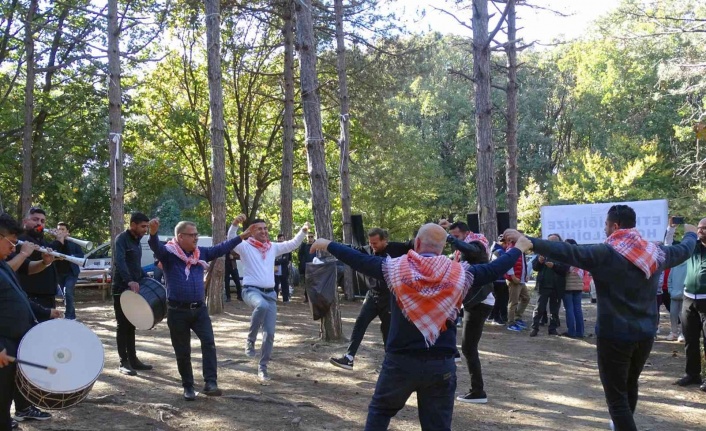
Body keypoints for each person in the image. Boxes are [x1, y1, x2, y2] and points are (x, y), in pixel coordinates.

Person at [310, 223, 531, 430]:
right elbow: (494, 269)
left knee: (379, 413)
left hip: (400, 362)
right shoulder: (460, 273)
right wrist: (519, 247)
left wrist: (329, 244)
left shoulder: (394, 268)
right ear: (443, 246)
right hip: (441, 365)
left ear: (416, 244)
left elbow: (359, 260)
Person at [504, 205, 697, 431]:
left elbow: (568, 252)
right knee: (629, 385)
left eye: (606, 225)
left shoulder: (605, 253)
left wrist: (530, 241)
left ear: (615, 226)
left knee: (616, 399)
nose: (604, 229)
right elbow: (684, 249)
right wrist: (692, 233)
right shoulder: (655, 253)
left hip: (614, 335)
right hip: (645, 334)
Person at [149, 215, 251, 400]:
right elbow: (156, 247)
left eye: (196, 235)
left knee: (209, 344)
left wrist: (241, 235)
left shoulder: (200, 254)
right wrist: (153, 234)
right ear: (180, 237)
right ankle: (188, 386)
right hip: (177, 311)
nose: (196, 238)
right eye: (191, 235)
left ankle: (210, 382)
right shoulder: (169, 254)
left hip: (199, 310)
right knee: (183, 351)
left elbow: (221, 248)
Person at [228, 218, 310, 382]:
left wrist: (303, 231)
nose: (264, 232)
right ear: (251, 231)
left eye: (265, 229)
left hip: (270, 294)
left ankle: (263, 367)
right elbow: (231, 238)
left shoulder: (272, 247)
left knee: (270, 333)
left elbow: (291, 244)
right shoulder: (245, 247)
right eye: (259, 229)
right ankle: (250, 340)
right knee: (261, 306)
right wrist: (235, 224)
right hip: (251, 291)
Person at [0, 213, 61, 428]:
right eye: (10, 242)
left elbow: (17, 298)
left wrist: (45, 312)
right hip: (3, 345)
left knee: (6, 395)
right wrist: (24, 252)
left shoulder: (2, 266)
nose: (13, 247)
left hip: (14, 342)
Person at [329, 228, 412, 371]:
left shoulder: (398, 248)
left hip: (390, 297)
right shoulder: (366, 250)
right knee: (360, 323)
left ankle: (389, 363)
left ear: (384, 240)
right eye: (370, 243)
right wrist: (330, 245)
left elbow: (413, 245)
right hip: (372, 295)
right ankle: (349, 357)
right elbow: (350, 249)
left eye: (375, 243)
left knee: (387, 330)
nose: (372, 246)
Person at [441, 221, 496, 404]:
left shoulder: (477, 243)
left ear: (466, 233)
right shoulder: (464, 247)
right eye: (453, 236)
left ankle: (478, 391)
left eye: (457, 236)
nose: (454, 240)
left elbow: (472, 251)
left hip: (479, 301)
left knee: (469, 348)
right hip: (473, 301)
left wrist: (450, 239)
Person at [112, 212, 152, 377]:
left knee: (131, 324)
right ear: (133, 224)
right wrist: (129, 280)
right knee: (123, 325)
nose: (145, 230)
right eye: (143, 226)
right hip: (121, 288)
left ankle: (133, 360)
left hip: (133, 289)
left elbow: (134, 265)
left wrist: (144, 275)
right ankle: (123, 362)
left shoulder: (137, 241)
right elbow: (120, 262)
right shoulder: (121, 239)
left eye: (147, 227)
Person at [673, 216, 706, 392]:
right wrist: (671, 228)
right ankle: (692, 374)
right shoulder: (692, 247)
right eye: (698, 228)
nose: (699, 231)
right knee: (690, 339)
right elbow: (670, 246)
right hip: (689, 298)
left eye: (703, 228)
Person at [7, 207, 57, 311]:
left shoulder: (42, 241)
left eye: (42, 221)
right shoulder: (20, 240)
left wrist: (46, 262)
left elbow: (30, 266)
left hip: (47, 296)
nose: (39, 224)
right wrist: (59, 242)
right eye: (35, 219)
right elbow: (24, 265)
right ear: (25, 221)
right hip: (31, 296)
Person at [530, 233, 568, 337]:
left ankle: (553, 328)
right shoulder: (542, 253)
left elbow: (565, 269)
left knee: (554, 310)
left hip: (557, 286)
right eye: (549, 241)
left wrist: (554, 266)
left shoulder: (562, 254)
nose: (551, 243)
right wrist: (539, 261)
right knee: (539, 308)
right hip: (543, 286)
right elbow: (535, 267)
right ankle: (535, 328)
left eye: (553, 241)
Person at [50, 222, 84, 320]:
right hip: (59, 273)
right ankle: (72, 315)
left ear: (67, 232)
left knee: (67, 292)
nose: (60, 231)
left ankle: (69, 316)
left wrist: (71, 257)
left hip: (72, 273)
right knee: (66, 295)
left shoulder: (74, 243)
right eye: (58, 229)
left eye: (62, 229)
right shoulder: (55, 243)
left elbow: (81, 255)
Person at [505, 234, 530, 332]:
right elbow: (508, 263)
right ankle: (511, 323)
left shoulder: (521, 249)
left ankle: (517, 318)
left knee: (526, 298)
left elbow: (523, 263)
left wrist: (526, 274)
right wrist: (512, 276)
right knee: (513, 302)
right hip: (514, 280)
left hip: (521, 279)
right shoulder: (511, 249)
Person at [563, 238, 586, 338]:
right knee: (578, 309)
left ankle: (571, 332)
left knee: (569, 309)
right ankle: (580, 332)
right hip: (578, 286)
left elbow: (564, 270)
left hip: (568, 286)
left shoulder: (567, 257)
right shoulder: (580, 256)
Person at [488, 235, 509, 325]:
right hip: (500, 279)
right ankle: (496, 318)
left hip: (495, 279)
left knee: (496, 298)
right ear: (504, 242)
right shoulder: (500, 251)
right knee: (500, 299)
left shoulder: (493, 250)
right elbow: (504, 265)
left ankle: (492, 316)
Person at [274, 233, 292, 303]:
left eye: (282, 238)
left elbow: (286, 259)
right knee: (275, 285)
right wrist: (277, 261)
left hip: (283, 270)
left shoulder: (286, 248)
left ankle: (285, 299)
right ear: (277, 239)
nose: (281, 240)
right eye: (279, 238)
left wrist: (277, 261)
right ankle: (274, 298)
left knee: (285, 284)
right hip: (274, 270)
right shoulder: (274, 247)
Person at [297, 233, 316, 302]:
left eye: (311, 237)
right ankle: (307, 297)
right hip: (306, 267)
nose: (310, 238)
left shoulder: (317, 245)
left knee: (315, 282)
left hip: (315, 267)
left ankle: (314, 297)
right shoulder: (304, 246)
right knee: (307, 283)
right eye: (309, 237)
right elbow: (300, 256)